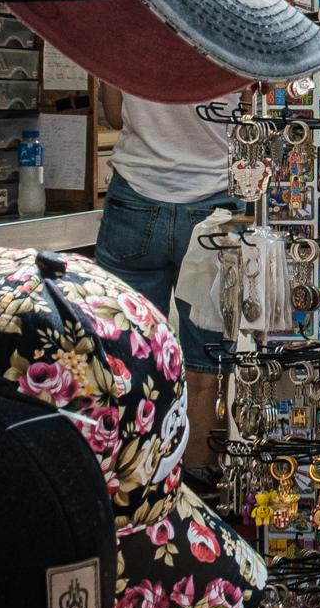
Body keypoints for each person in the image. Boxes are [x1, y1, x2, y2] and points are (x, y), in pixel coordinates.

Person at [96, 86, 242, 470]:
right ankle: (193, 491)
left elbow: (114, 115)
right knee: (205, 368)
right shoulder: (242, 30)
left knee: (126, 356)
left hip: (135, 196)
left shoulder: (135, 26)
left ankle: (130, 483)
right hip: (216, 201)